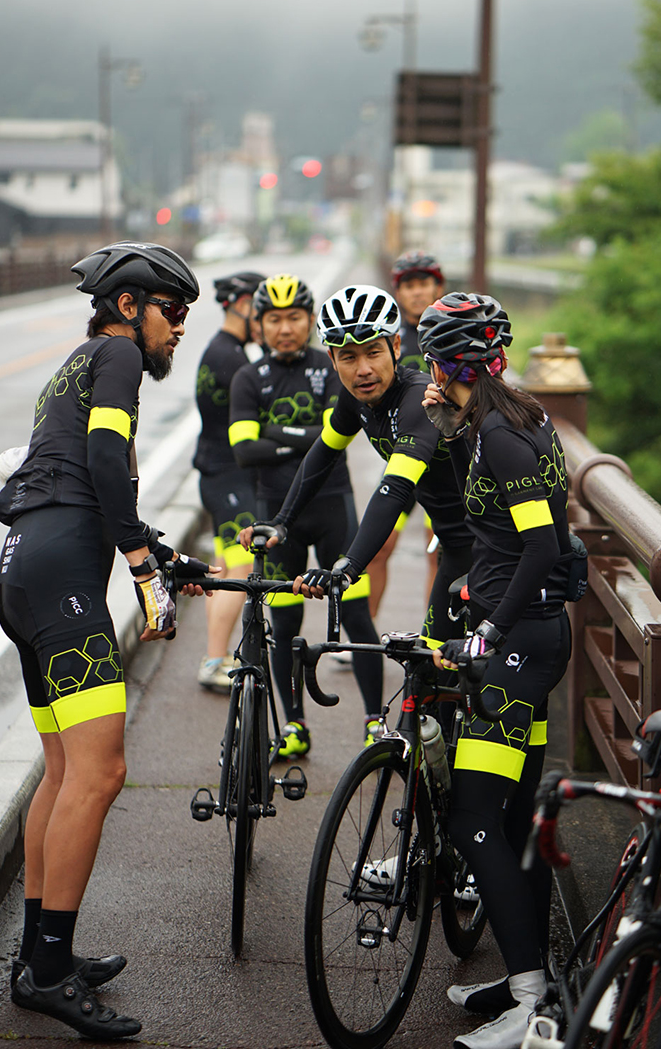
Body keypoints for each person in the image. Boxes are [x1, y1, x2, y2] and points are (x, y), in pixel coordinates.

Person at [0, 242, 213, 1040]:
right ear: (129, 306)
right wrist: (143, 565)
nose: (179, 326)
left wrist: (159, 549)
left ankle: (38, 955)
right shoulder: (117, 357)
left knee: (62, 770)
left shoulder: (78, 363)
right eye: (173, 310)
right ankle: (50, 972)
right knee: (101, 771)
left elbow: (86, 478)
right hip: (64, 577)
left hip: (26, 568)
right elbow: (102, 459)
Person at [418, 293, 575, 1049]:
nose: (428, 377)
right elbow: (494, 525)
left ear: (450, 367)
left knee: (474, 818)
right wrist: (453, 433)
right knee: (515, 822)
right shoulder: (509, 420)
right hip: (533, 637)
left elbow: (543, 547)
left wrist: (487, 629)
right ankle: (527, 976)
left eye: (432, 364)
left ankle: (531, 1003)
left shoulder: (506, 438)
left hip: (518, 649)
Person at [241, 283, 473, 655]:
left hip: (491, 547)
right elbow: (322, 454)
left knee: (471, 671)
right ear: (332, 360)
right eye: (348, 357)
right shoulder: (354, 400)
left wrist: (348, 567)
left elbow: (395, 489)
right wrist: (283, 521)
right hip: (456, 545)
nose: (363, 370)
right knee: (434, 671)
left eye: (373, 352)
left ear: (396, 346)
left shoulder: (417, 400)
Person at [227, 274, 384, 756]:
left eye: (294, 317)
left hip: (334, 507)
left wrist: (275, 433)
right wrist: (308, 437)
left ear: (311, 320)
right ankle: (295, 726)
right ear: (259, 324)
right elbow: (244, 451)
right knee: (284, 627)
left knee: (357, 618)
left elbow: (339, 436)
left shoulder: (332, 365)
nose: (284, 328)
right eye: (273, 319)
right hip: (276, 516)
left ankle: (375, 722)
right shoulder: (248, 377)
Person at [364, 250, 448, 620]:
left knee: (438, 554)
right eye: (408, 285)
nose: (416, 292)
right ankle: (363, 636)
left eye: (423, 283)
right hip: (403, 459)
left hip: (445, 464)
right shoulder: (390, 337)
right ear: (397, 292)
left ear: (437, 287)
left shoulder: (450, 335)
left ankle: (433, 638)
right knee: (378, 548)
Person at [193, 270, 264, 690]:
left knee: (223, 571)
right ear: (241, 305)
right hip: (229, 479)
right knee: (241, 567)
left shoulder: (220, 350)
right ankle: (214, 660)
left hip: (216, 476)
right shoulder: (233, 359)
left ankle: (213, 656)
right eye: (261, 308)